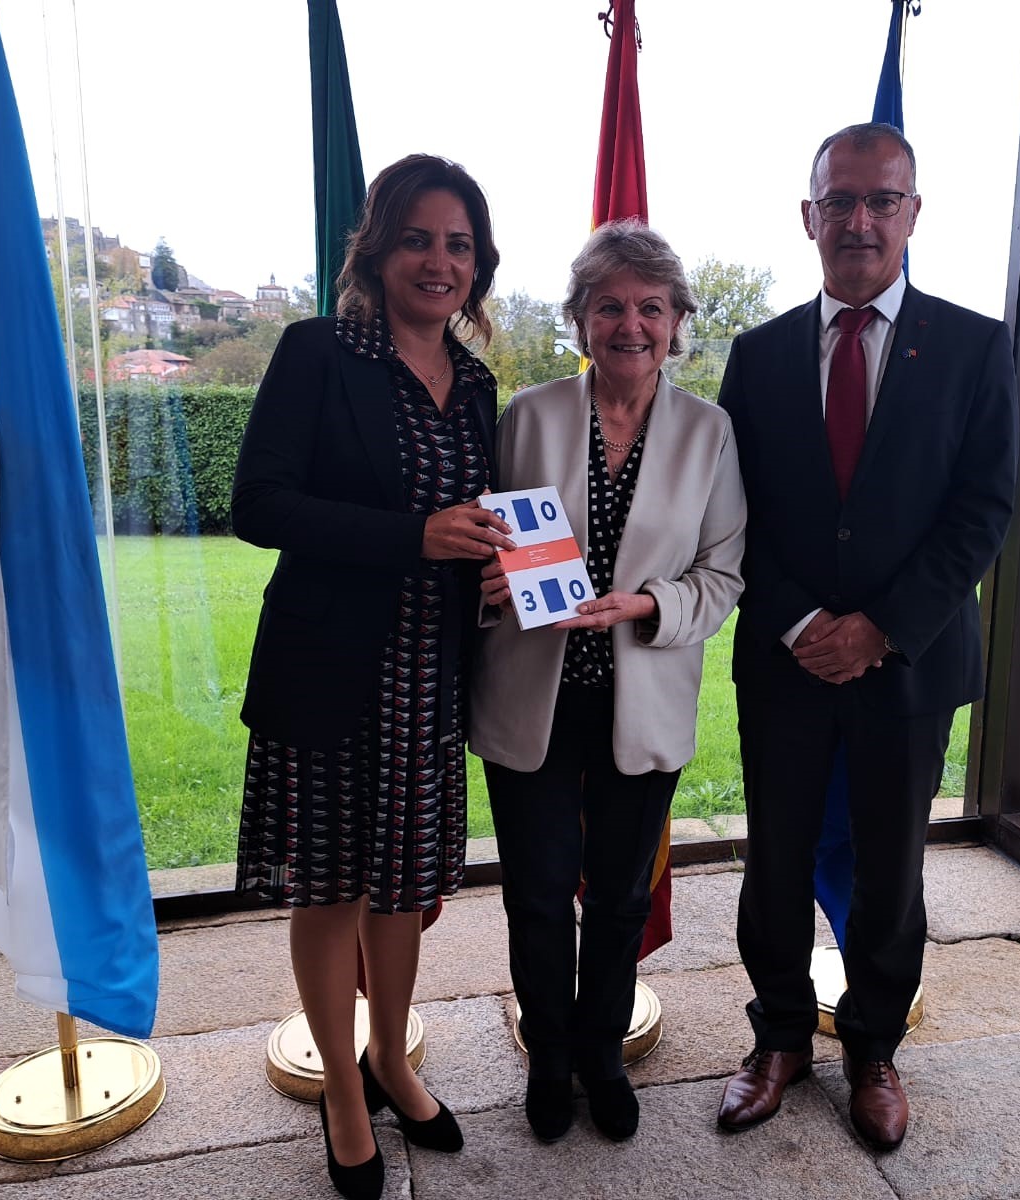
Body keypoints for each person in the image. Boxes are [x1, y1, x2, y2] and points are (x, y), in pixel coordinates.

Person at [715, 123, 1018, 1150]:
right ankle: (777, 1039)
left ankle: (874, 1047)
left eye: (881, 200)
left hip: (908, 666)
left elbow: (983, 508)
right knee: (775, 862)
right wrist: (804, 620)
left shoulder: (975, 346)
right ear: (808, 217)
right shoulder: (757, 355)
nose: (859, 220)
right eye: (839, 201)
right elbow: (732, 512)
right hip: (787, 660)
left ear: (912, 213)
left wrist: (881, 629)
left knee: (890, 870)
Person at [230, 153, 513, 1200]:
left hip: (431, 676)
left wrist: (495, 569)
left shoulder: (476, 384)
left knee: (403, 887)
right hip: (329, 670)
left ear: (478, 265)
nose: (440, 262)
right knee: (330, 886)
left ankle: (393, 1059)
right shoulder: (318, 351)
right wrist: (414, 536)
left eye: (459, 245)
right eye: (419, 239)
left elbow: (475, 521)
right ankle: (343, 1091)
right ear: (378, 249)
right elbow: (258, 504)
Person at [469, 220, 746, 1144]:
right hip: (533, 697)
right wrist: (490, 581)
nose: (632, 325)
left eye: (651, 308)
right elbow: (488, 544)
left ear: (677, 322)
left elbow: (722, 575)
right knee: (539, 893)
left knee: (622, 896)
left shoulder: (709, 432)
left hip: (644, 696)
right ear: (580, 319)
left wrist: (649, 605)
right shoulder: (529, 415)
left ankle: (602, 1054)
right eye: (610, 306)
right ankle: (549, 1057)